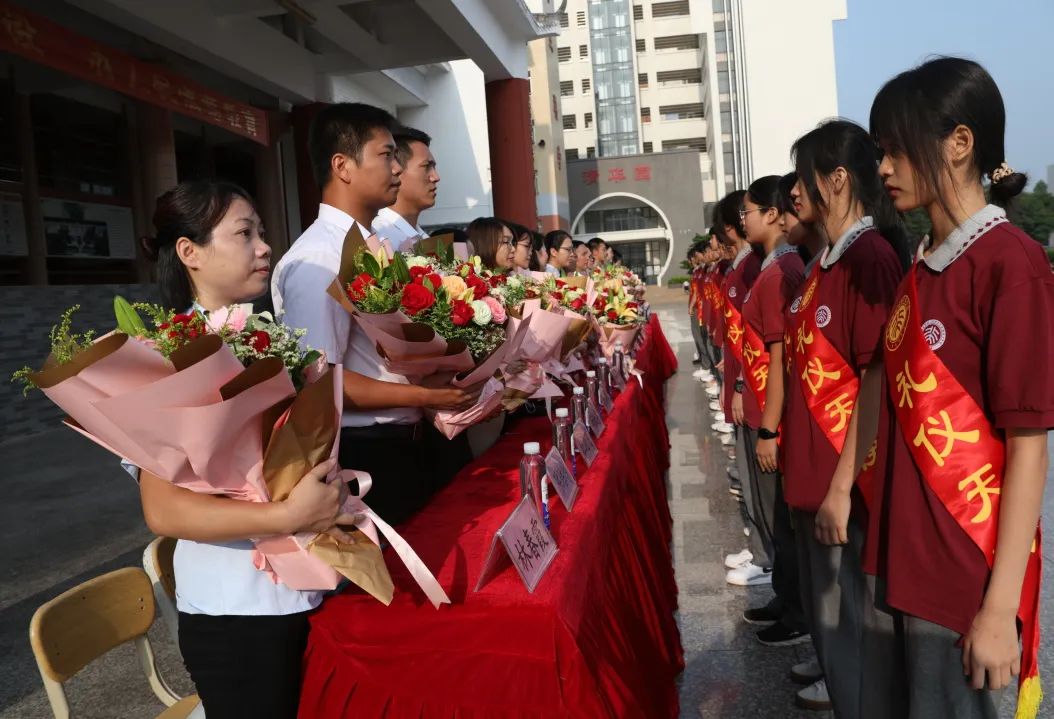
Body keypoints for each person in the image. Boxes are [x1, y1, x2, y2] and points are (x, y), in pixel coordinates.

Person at [868, 57, 1053, 718]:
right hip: (900, 563)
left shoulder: (1011, 265)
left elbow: (1029, 444)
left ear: (959, 142)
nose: (884, 167)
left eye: (894, 147)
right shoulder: (918, 271)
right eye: (879, 151)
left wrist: (1001, 607)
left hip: (962, 581)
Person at [138, 181, 352, 719]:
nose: (264, 246)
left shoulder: (268, 339)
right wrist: (286, 512)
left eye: (261, 231)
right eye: (244, 233)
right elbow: (162, 509)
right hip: (237, 611)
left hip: (306, 587)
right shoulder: (169, 358)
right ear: (189, 253)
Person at [272, 102, 478, 527]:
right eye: (386, 156)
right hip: (370, 451)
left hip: (410, 439)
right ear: (342, 165)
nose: (398, 170)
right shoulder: (317, 260)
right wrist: (426, 396)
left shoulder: (380, 246)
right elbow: (320, 384)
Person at [783, 120, 908, 717]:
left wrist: (839, 487)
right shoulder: (824, 264)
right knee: (836, 648)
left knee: (859, 652)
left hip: (846, 491)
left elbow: (877, 379)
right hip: (813, 486)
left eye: (804, 178)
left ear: (836, 179)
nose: (794, 194)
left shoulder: (871, 258)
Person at [737, 175, 808, 648]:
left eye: (748, 211)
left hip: (772, 415)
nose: (743, 220)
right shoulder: (770, 270)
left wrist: (769, 428)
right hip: (763, 410)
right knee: (776, 519)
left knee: (785, 521)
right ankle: (787, 600)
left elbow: (780, 359)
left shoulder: (782, 273)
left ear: (773, 214)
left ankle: (798, 613)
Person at [372, 126, 437, 251]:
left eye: (434, 167)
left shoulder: (424, 239)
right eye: (426, 166)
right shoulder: (378, 237)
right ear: (395, 169)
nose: (435, 177)